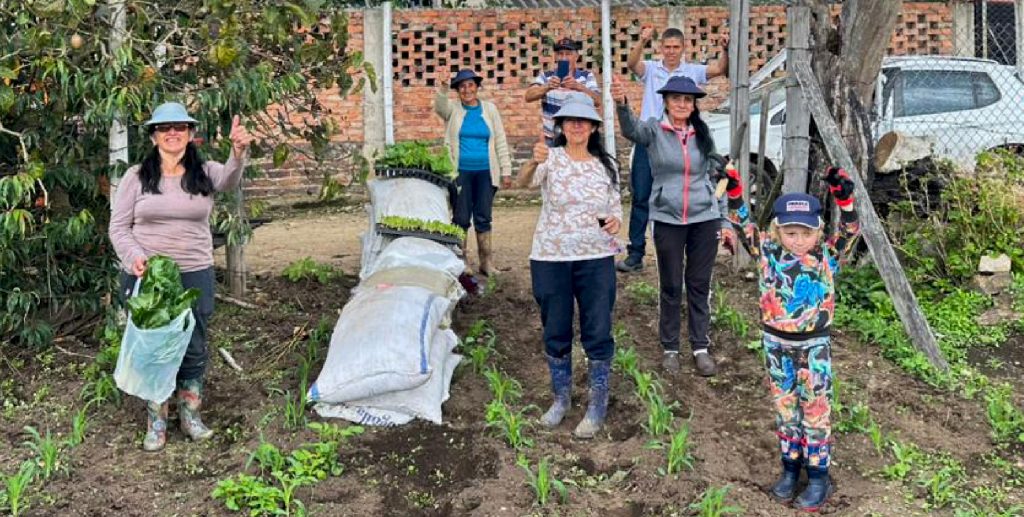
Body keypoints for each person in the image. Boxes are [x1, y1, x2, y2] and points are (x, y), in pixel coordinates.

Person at [109, 102, 252, 452]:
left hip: (194, 272)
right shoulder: (136, 177)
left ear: (190, 134)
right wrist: (135, 258)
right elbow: (118, 228)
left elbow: (230, 181)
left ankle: (190, 416)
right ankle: (156, 420)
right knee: (154, 349)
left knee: (194, 342)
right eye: (164, 128)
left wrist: (238, 152)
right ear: (154, 135)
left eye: (180, 127)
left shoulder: (204, 171)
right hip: (150, 278)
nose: (173, 133)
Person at [721, 164, 860, 512]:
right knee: (785, 408)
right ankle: (790, 469)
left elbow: (852, 229)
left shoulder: (827, 255)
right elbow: (741, 221)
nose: (798, 241)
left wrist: (845, 199)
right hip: (776, 346)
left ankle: (818, 478)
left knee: (814, 410)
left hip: (813, 348)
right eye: (791, 233)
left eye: (806, 233)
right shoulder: (767, 252)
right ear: (777, 231)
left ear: (818, 232)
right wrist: (735, 189)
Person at [516, 99, 623, 439]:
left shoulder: (606, 166)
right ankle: (561, 399)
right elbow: (522, 184)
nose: (577, 126)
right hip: (551, 258)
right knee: (556, 328)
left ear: (593, 128)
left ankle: (597, 405)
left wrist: (615, 223)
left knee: (598, 328)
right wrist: (532, 162)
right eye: (570, 121)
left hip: (595, 258)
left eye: (584, 122)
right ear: (561, 126)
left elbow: (616, 210)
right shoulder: (551, 157)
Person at [612, 75, 728, 377]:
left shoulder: (703, 134)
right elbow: (630, 130)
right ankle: (671, 348)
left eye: (687, 100)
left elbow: (719, 176)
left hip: (704, 218)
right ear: (665, 101)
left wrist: (724, 219)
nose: (681, 104)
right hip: (667, 218)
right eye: (676, 98)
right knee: (672, 284)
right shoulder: (653, 129)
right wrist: (622, 104)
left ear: (693, 105)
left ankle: (700, 347)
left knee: (700, 284)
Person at [617, 26, 729, 273]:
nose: (670, 52)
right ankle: (635, 253)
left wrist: (725, 48)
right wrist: (642, 40)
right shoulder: (651, 69)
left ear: (683, 48)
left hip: (681, 141)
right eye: (666, 47)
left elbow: (720, 69)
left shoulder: (691, 70)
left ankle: (684, 250)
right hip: (651, 138)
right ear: (661, 48)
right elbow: (631, 63)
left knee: (687, 192)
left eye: (675, 47)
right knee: (641, 196)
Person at [434, 68, 513, 276]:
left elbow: (500, 140)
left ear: (477, 87)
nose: (467, 90)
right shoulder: (453, 110)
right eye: (462, 86)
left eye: (470, 85)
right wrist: (442, 87)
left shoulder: (490, 110)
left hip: (486, 172)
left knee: (483, 216)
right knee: (460, 217)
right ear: (458, 90)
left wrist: (506, 169)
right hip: (460, 172)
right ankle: (462, 261)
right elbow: (439, 107)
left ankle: (486, 262)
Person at [524, 37, 601, 146]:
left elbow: (598, 101)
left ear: (576, 56)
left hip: (578, 138)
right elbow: (528, 96)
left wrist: (578, 87)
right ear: (556, 56)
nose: (564, 58)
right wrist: (547, 87)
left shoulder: (586, 76)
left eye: (568, 54)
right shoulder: (547, 76)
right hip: (552, 138)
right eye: (560, 54)